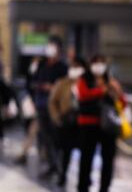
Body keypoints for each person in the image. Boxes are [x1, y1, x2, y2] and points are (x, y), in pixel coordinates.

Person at [76, 55, 126, 192]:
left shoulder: (110, 80)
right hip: (88, 123)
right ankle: (83, 186)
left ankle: (105, 187)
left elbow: (122, 102)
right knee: (86, 158)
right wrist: (101, 90)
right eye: (95, 63)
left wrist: (115, 90)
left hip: (107, 125)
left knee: (108, 159)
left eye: (101, 63)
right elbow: (83, 94)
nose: (98, 66)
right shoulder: (84, 79)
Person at [33, 35, 68, 178]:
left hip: (56, 107)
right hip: (41, 104)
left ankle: (58, 166)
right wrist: (42, 86)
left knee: (56, 137)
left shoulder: (62, 67)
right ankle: (52, 164)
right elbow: (33, 81)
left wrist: (53, 88)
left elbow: (65, 86)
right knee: (45, 136)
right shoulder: (42, 64)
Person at [48, 57, 87, 187]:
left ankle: (84, 178)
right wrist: (57, 117)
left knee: (85, 152)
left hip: (84, 122)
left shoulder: (88, 83)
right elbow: (53, 101)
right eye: (73, 66)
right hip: (67, 121)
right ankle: (62, 174)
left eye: (77, 66)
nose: (74, 69)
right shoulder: (63, 83)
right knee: (66, 151)